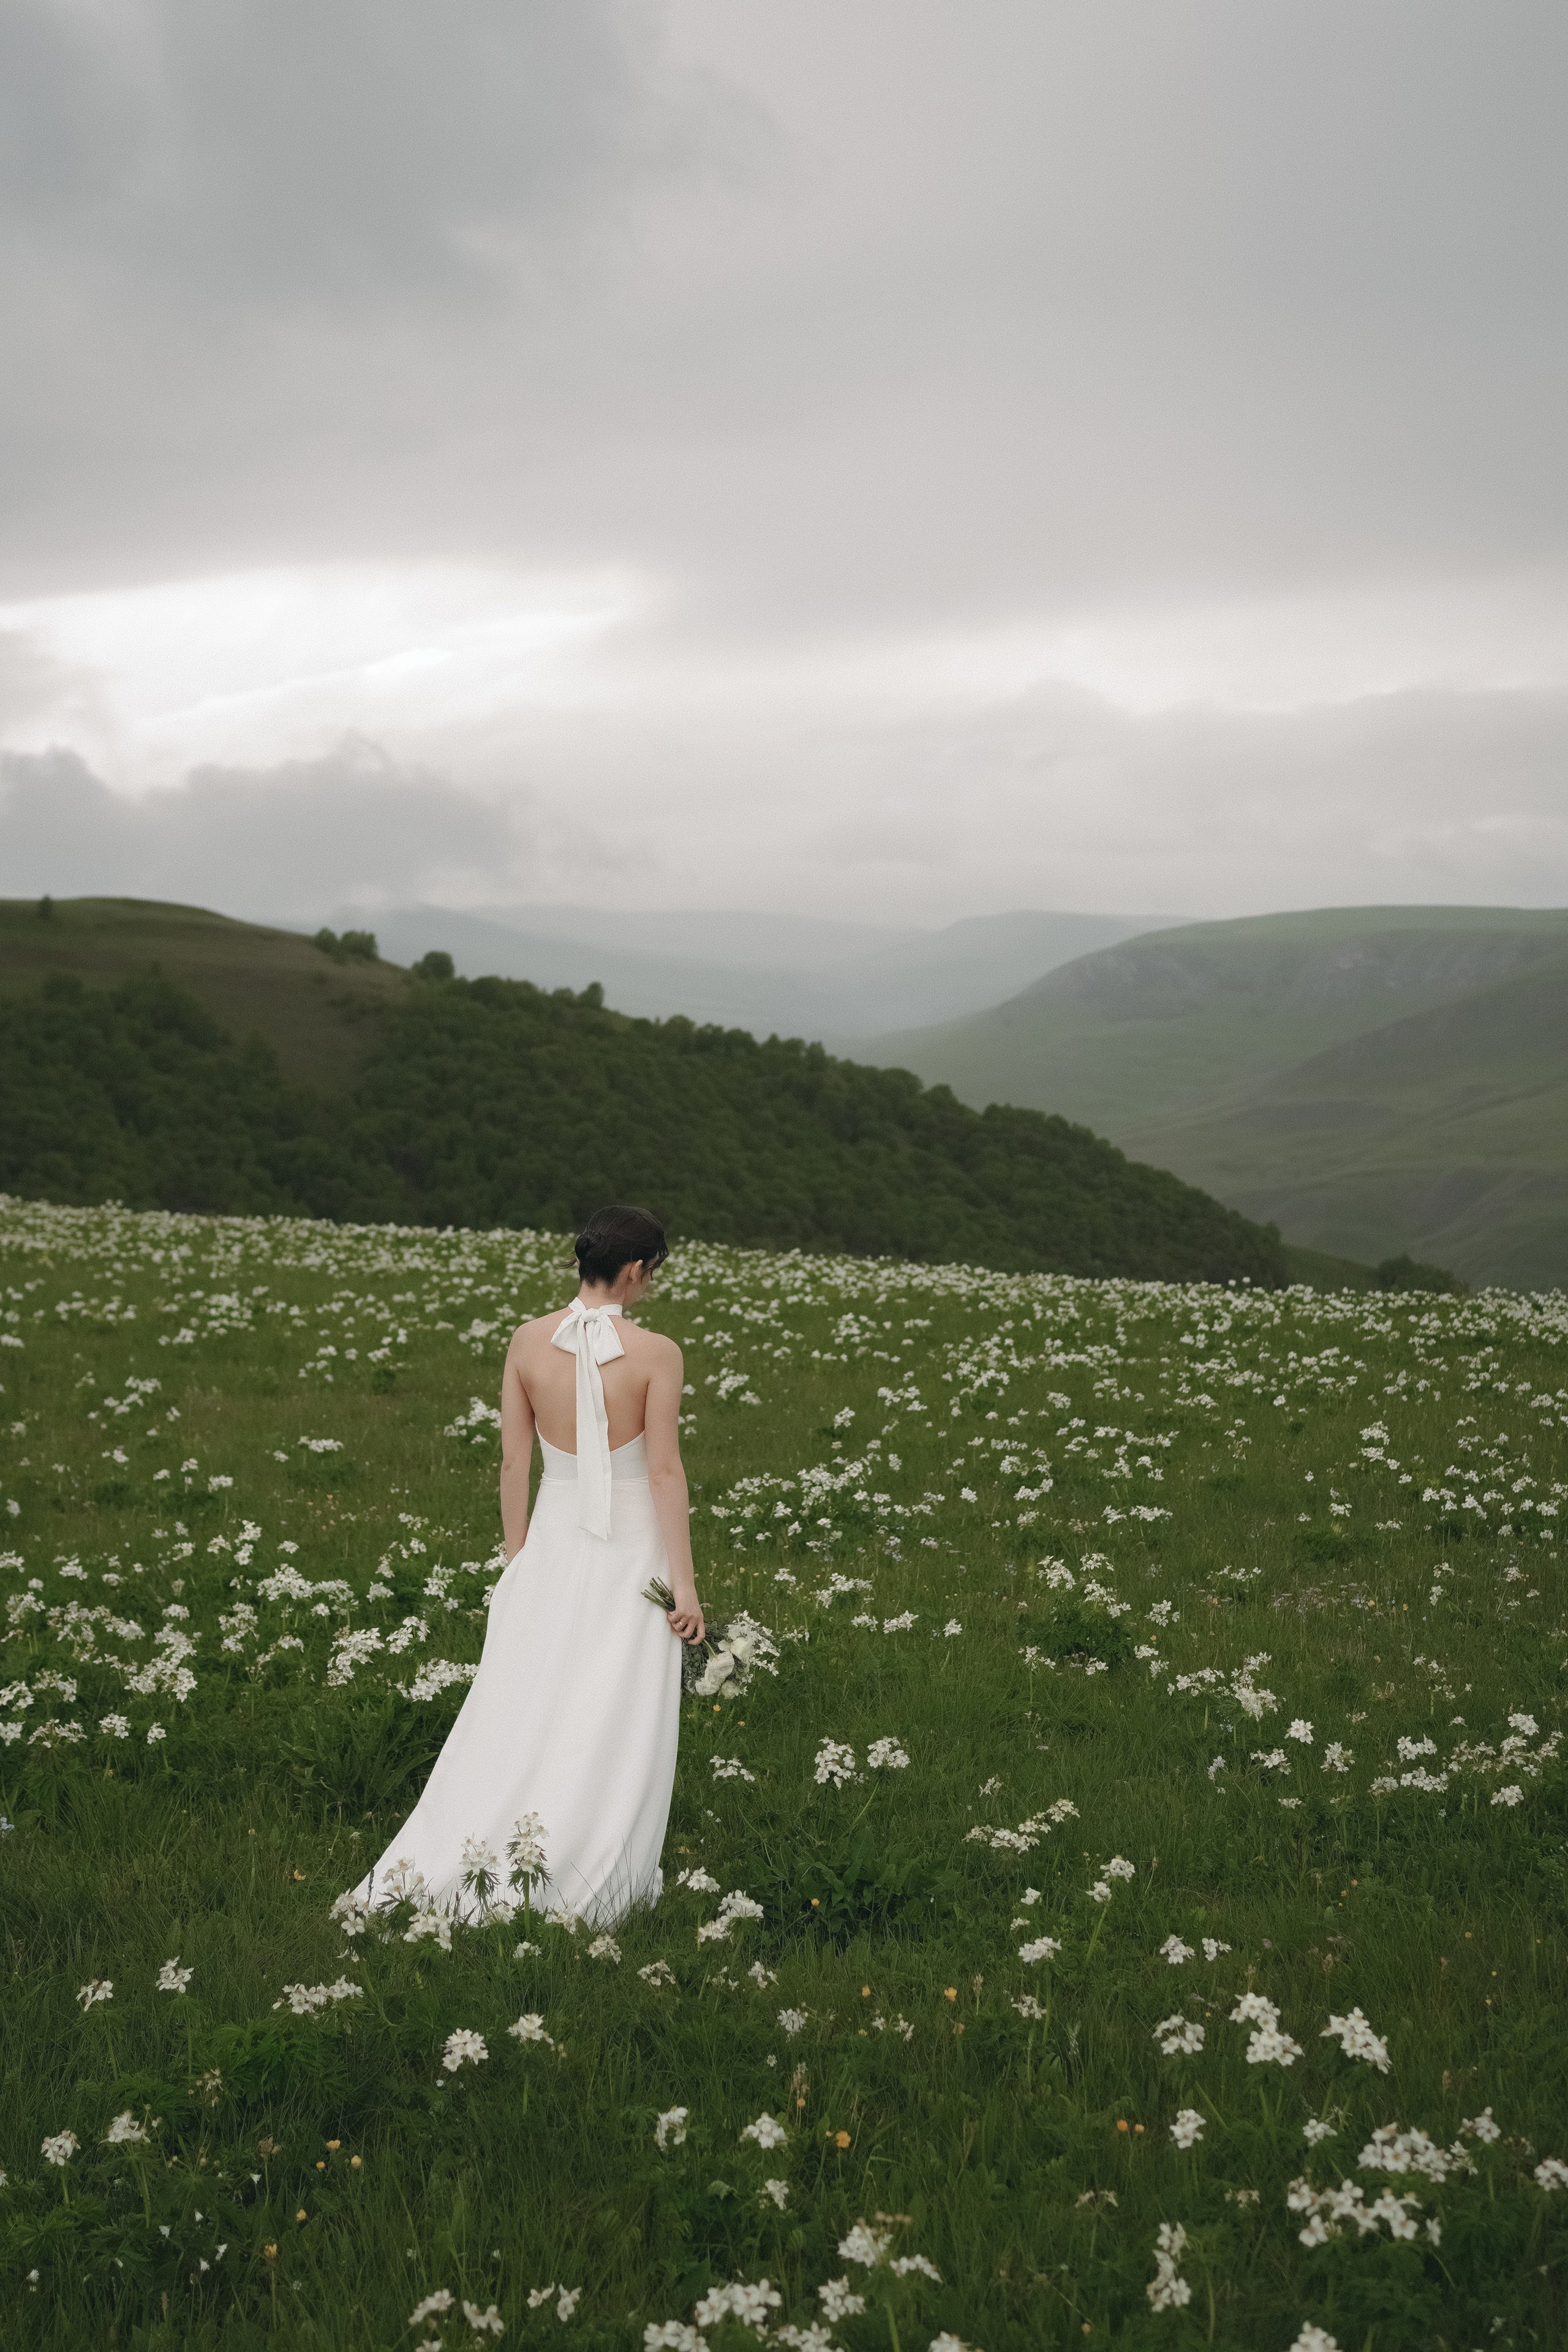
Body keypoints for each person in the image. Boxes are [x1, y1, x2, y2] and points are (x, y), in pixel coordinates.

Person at [350, 1204, 703, 1926]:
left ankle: (486, 1839)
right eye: (652, 1272)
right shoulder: (657, 1353)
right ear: (635, 1270)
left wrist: (520, 1560)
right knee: (614, 1700)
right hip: (633, 1543)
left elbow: (515, 1462)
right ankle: (595, 1858)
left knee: (531, 1694)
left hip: (550, 1537)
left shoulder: (525, 1339)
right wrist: (685, 1587)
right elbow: (664, 1472)